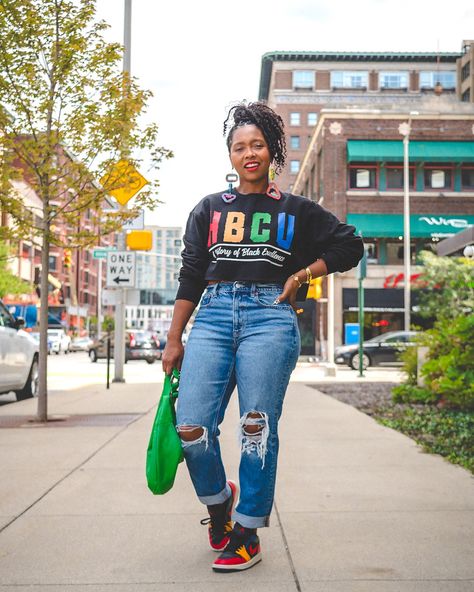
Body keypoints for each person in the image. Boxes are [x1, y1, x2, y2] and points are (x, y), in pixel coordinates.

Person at [162, 101, 364, 573]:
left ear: (273, 151)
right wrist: (175, 338)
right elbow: (191, 275)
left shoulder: (297, 210)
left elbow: (349, 244)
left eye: (257, 145)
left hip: (269, 318)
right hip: (211, 317)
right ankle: (219, 508)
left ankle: (248, 532)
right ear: (230, 156)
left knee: (256, 426)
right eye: (239, 147)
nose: (248, 153)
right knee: (191, 426)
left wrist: (303, 273)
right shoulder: (209, 208)